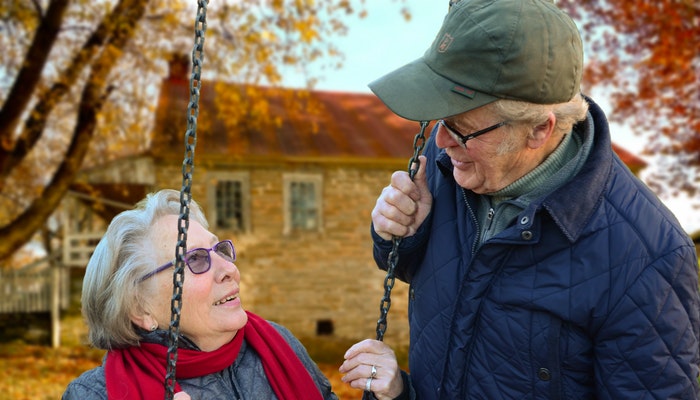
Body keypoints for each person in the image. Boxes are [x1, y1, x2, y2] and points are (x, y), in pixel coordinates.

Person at [367, 0, 700, 399]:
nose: (441, 141)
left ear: (540, 129)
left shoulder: (648, 257)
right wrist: (399, 235)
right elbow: (424, 277)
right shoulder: (449, 164)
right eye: (440, 119)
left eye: (462, 129)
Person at [62, 189, 407, 400]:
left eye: (219, 250)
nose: (227, 268)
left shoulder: (277, 345)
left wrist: (393, 396)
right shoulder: (93, 395)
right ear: (140, 309)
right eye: (195, 260)